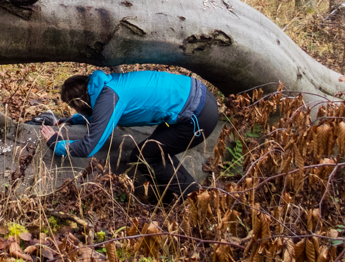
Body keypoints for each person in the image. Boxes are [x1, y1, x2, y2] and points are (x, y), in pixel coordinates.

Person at [41, 69, 219, 202]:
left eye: (74, 107)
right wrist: (72, 120)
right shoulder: (108, 86)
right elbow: (102, 114)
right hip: (197, 96)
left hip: (197, 115)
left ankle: (190, 200)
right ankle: (188, 196)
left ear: (79, 102)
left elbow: (89, 146)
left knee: (144, 155)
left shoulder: (109, 97)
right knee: (156, 151)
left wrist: (57, 143)